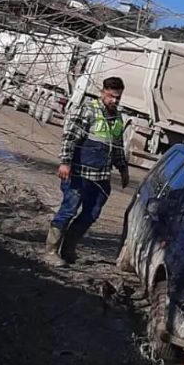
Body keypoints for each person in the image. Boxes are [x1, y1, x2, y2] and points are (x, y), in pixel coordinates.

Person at [44, 77, 130, 268]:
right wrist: (65, 162)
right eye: (111, 96)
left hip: (100, 178)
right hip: (79, 174)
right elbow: (70, 138)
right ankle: (50, 251)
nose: (114, 101)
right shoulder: (88, 110)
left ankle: (68, 250)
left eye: (118, 98)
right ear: (103, 92)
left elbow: (117, 147)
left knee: (91, 214)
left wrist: (123, 169)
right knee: (68, 210)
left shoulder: (117, 118)